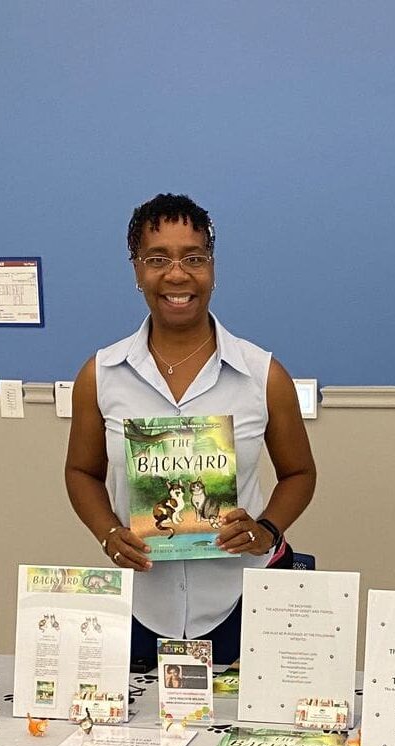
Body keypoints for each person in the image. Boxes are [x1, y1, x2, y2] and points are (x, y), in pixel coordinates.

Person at [65, 193, 316, 665]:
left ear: (213, 268)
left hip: (243, 600)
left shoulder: (263, 374)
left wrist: (267, 529)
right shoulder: (100, 375)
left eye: (193, 258)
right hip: (140, 605)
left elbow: (300, 474)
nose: (177, 275)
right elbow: (80, 472)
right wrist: (107, 533)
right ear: (137, 270)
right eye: (157, 259)